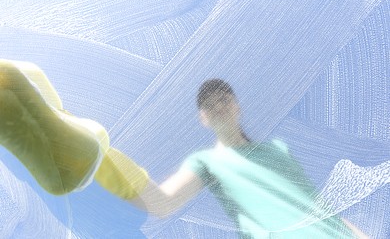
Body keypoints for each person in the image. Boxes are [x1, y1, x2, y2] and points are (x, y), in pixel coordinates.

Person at [0, 60, 368, 238]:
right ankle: (70, 145)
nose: (220, 106)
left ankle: (71, 145)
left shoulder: (277, 151)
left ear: (237, 105)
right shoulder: (207, 162)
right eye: (210, 106)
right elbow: (162, 203)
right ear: (203, 119)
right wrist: (100, 175)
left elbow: (316, 202)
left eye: (224, 99)